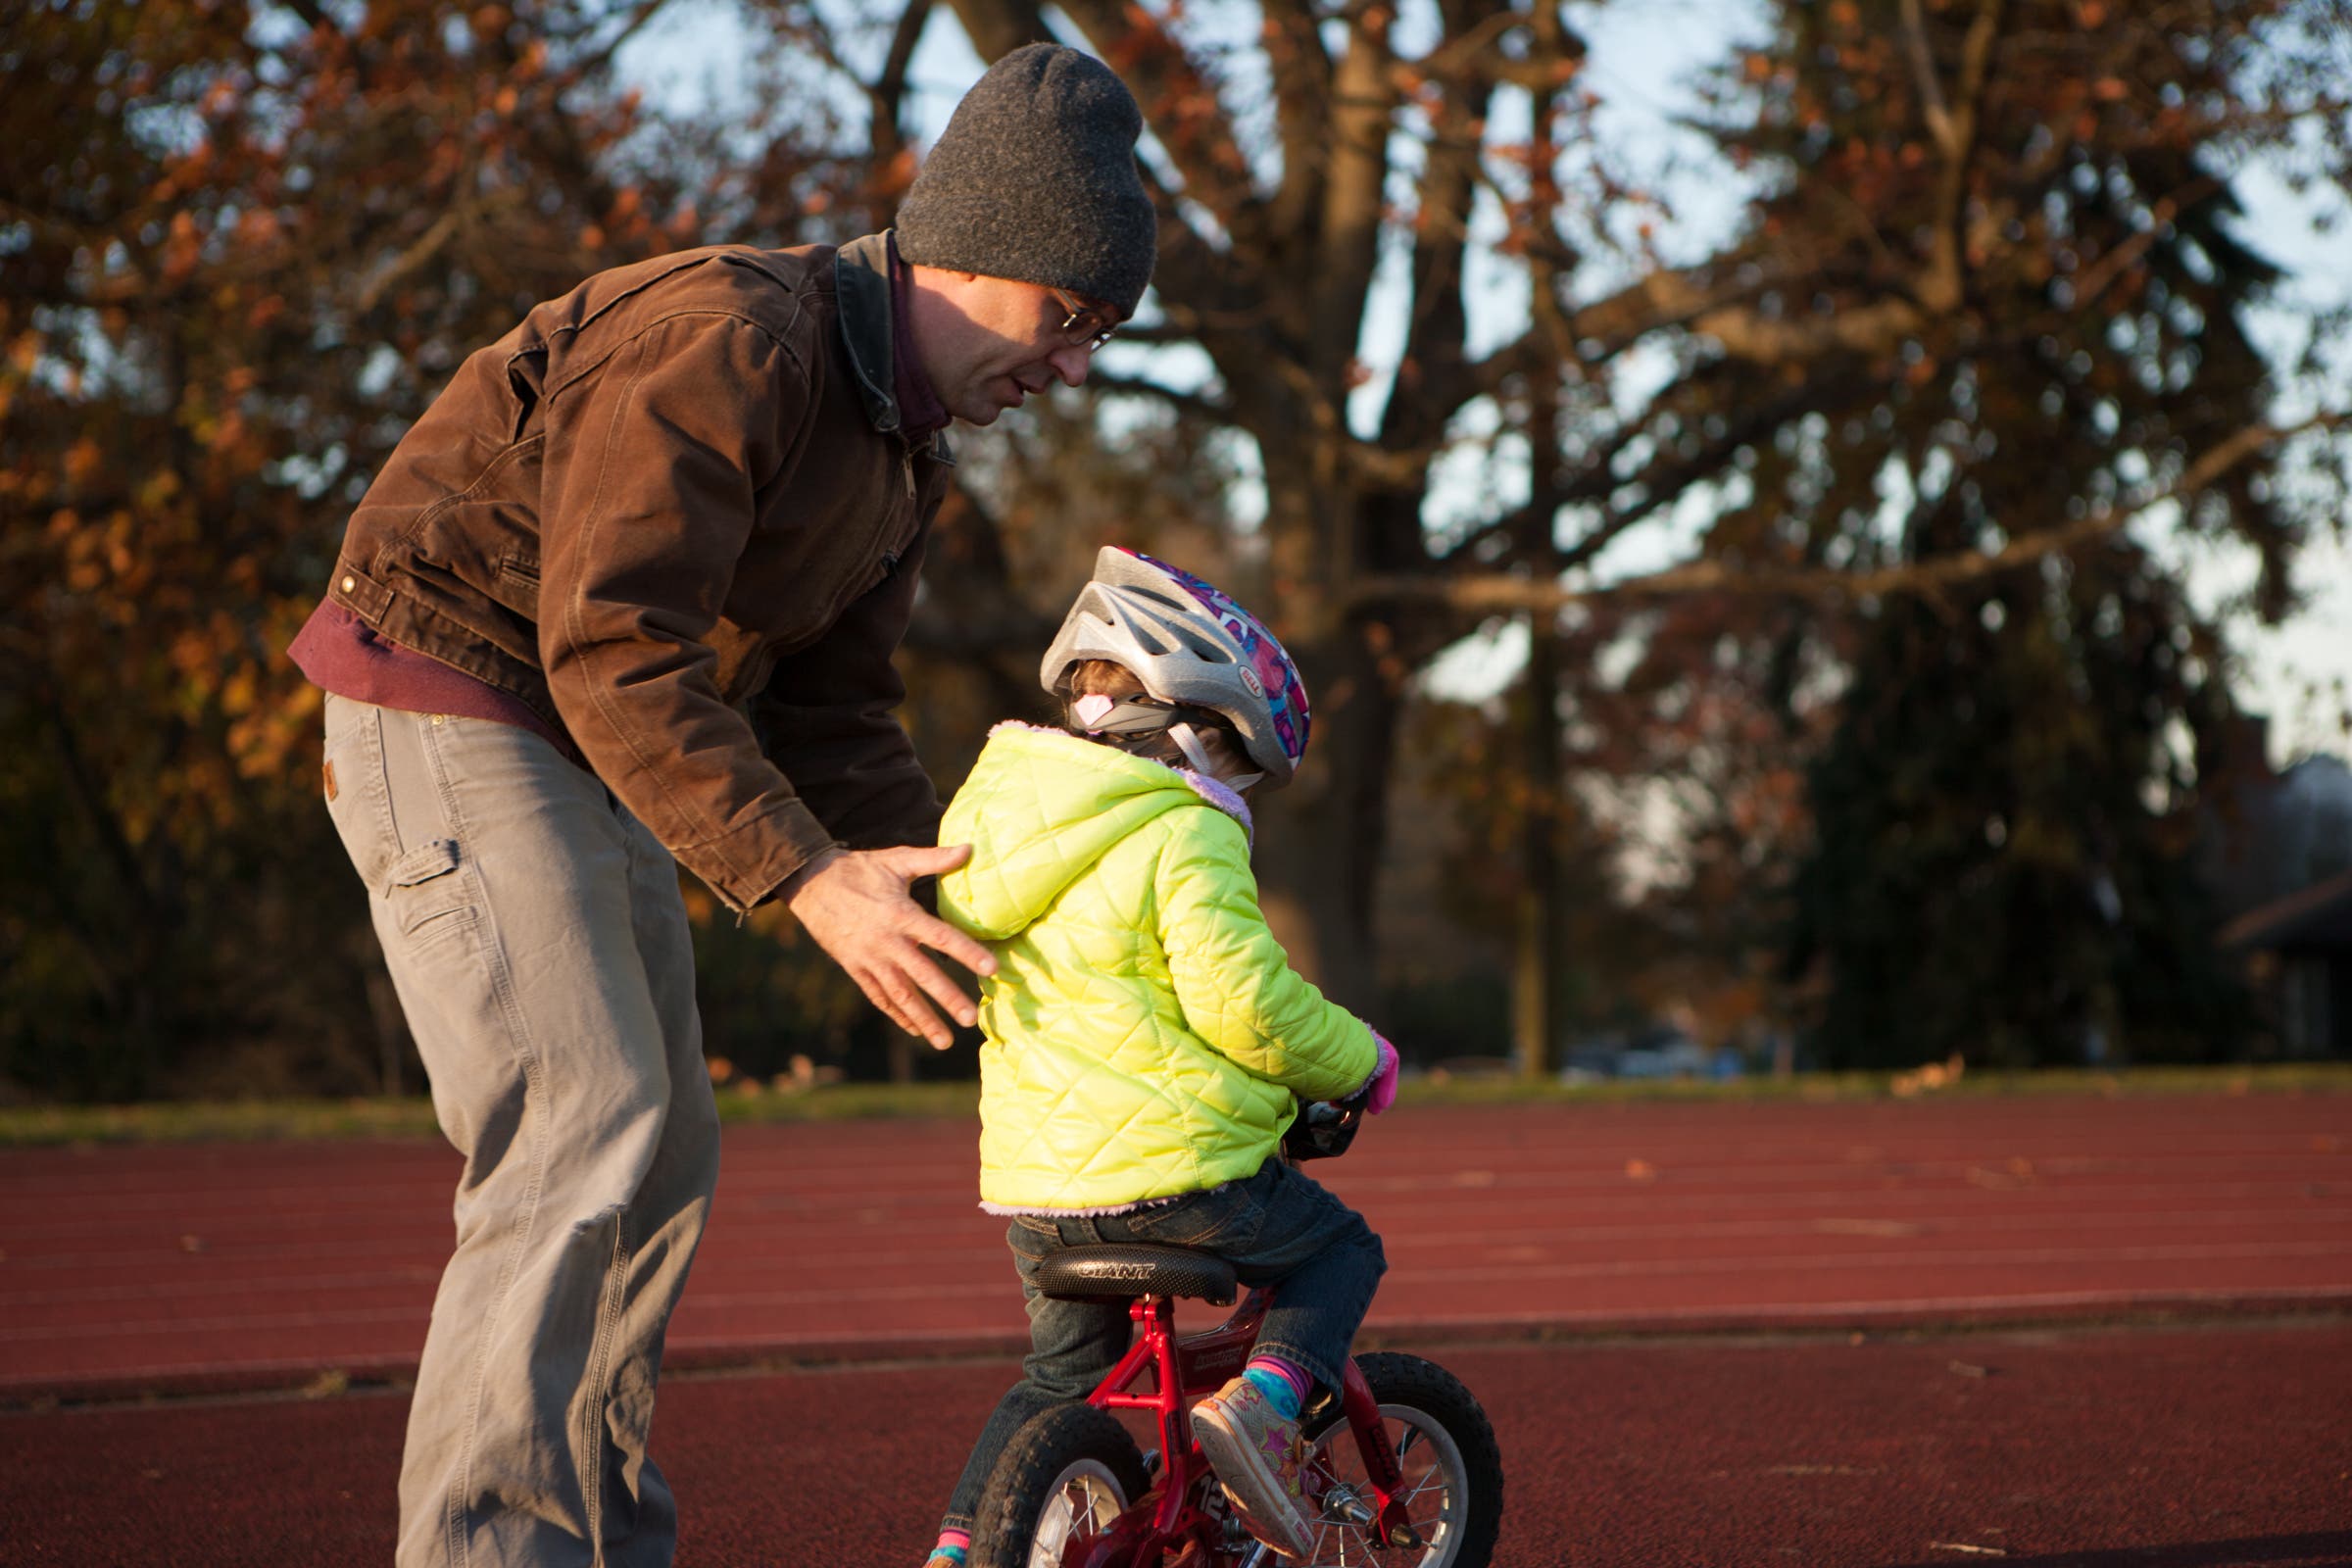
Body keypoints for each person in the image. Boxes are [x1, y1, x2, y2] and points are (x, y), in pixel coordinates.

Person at [286, 44, 1157, 1568]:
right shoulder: (738, 339)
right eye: (1067, 320)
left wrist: (982, 915)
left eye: (1098, 335)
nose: (1074, 363)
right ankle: (493, 1552)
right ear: (981, 254)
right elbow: (611, 639)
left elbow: (836, 718)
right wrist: (811, 884)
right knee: (585, 1117)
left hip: (587, 732)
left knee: (664, 1143)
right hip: (451, 683)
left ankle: (597, 1538)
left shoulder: (907, 460)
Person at [919, 547, 1402, 1566]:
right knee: (1339, 1248)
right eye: (1237, 764)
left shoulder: (1001, 827)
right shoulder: (1184, 831)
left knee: (1059, 1383)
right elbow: (1245, 1004)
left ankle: (963, 1547)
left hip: (1036, 1191)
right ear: (1190, 732)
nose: (1239, 793)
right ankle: (1264, 1414)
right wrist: (1357, 1059)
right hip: (1171, 1180)